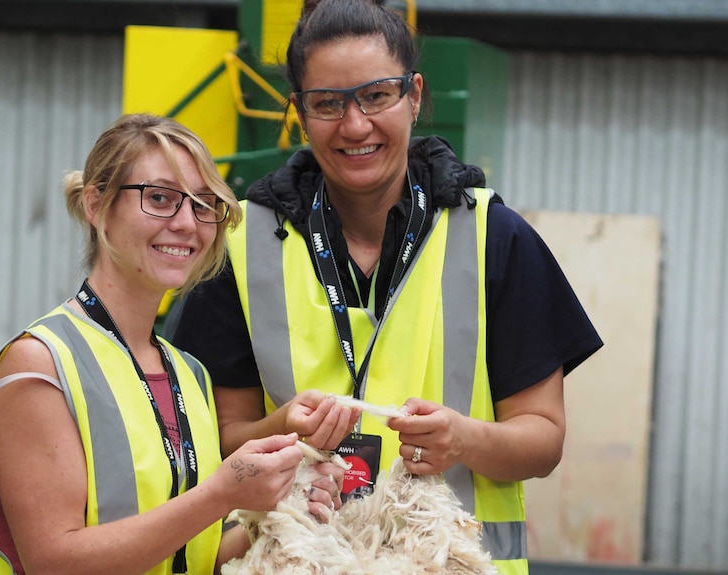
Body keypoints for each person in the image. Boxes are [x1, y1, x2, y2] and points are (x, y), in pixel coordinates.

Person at [169, 1, 604, 574]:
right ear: (298, 111)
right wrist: (285, 431)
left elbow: (544, 440)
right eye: (327, 103)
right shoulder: (241, 246)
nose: (354, 125)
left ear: (415, 95)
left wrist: (464, 441)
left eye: (376, 96)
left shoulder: (494, 236)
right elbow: (216, 440)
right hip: (295, 563)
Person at [0, 114, 342, 575]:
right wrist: (222, 492)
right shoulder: (40, 364)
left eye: (203, 204)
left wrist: (284, 508)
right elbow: (55, 561)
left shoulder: (190, 374)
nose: (187, 223)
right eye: (160, 198)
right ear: (96, 205)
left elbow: (188, 556)